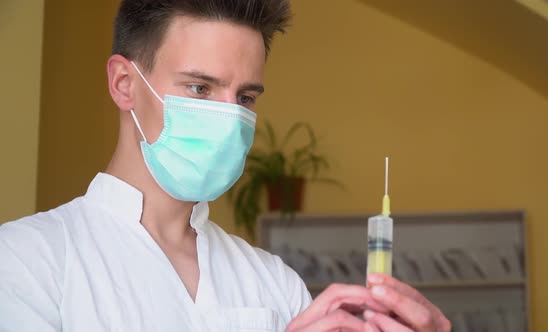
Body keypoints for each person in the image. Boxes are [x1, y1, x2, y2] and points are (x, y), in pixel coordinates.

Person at [0, 1, 451, 331]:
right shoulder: (27, 261)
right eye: (200, 89)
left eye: (246, 97)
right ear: (124, 84)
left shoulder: (275, 283)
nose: (229, 117)